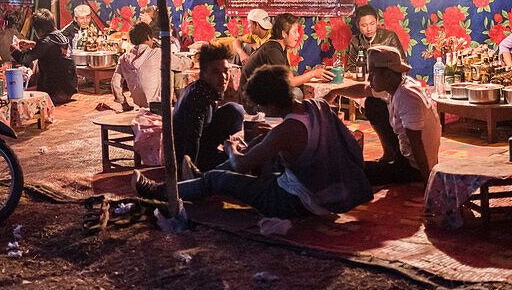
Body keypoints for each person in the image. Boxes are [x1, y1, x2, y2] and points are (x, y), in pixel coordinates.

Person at [135, 64, 373, 219]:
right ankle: (198, 179)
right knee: (258, 142)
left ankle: (158, 192)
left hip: (294, 200)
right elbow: (330, 101)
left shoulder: (288, 130)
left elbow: (241, 165)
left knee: (220, 177)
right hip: (317, 185)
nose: (259, 109)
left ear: (270, 102)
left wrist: (231, 149)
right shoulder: (316, 105)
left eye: (260, 105)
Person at [338, 45, 441, 185]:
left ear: (387, 75)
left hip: (415, 165)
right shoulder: (394, 85)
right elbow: (363, 89)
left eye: (373, 74)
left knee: (351, 171)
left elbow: (416, 143)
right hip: (404, 151)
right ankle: (389, 155)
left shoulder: (407, 96)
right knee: (373, 103)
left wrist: (427, 183)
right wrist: (334, 92)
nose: (369, 79)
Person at [344, 4, 407, 159]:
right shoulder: (355, 41)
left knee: (377, 104)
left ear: (377, 21)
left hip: (388, 83)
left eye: (372, 24)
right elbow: (351, 67)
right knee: (372, 104)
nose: (369, 29)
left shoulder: (389, 37)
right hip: (369, 83)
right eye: (364, 25)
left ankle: (395, 152)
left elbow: (403, 62)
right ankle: (388, 151)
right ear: (358, 26)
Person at [173, 42, 244, 170]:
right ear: (204, 73)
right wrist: (190, 169)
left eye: (226, 71)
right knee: (234, 112)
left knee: (234, 109)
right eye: (216, 72)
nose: (223, 77)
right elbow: (193, 138)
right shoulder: (199, 97)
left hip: (201, 148)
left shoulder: (202, 88)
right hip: (189, 156)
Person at [239, 13, 330, 108]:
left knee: (295, 75)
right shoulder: (272, 50)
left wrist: (315, 77)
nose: (298, 35)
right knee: (296, 93)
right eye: (295, 32)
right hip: (252, 103)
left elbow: (289, 75)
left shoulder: (279, 47)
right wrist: (313, 74)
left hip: (263, 92)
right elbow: (288, 81)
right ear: (283, 34)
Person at [112, 22, 193, 112]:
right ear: (148, 37)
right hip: (159, 105)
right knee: (173, 70)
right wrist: (191, 62)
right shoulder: (157, 53)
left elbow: (115, 82)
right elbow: (180, 64)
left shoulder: (123, 58)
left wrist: (123, 103)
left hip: (138, 106)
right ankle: (181, 106)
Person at [12, 9, 77, 103]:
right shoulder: (60, 36)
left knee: (19, 97)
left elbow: (23, 59)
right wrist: (32, 44)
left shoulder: (46, 42)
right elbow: (51, 50)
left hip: (56, 93)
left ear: (40, 30)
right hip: (68, 89)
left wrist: (13, 49)